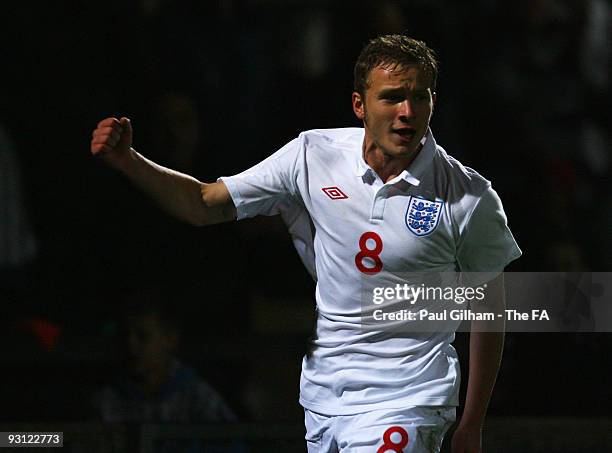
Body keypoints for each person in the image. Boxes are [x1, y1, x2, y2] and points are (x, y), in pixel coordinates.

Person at [91, 35, 521, 452]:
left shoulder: (468, 196)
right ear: (360, 105)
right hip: (325, 396)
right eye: (392, 97)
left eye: (420, 97)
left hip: (408, 401)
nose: (408, 111)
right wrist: (129, 161)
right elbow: (205, 203)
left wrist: (471, 424)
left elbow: (491, 313)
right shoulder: (312, 155)